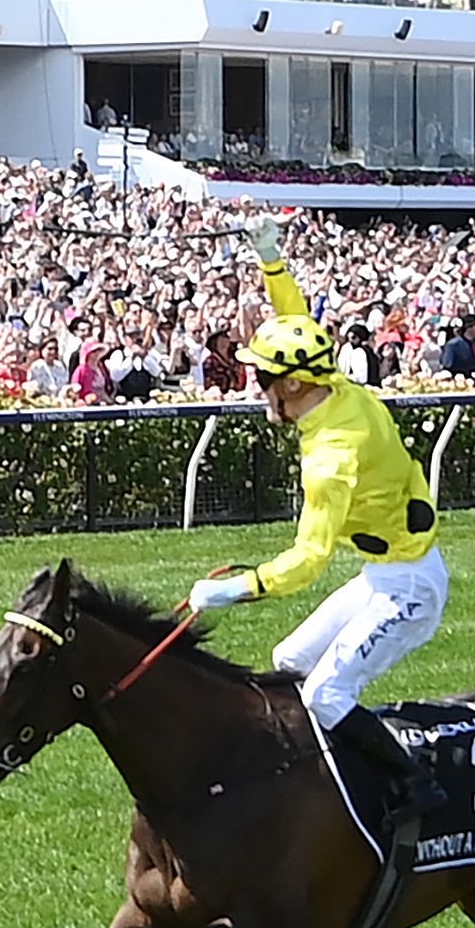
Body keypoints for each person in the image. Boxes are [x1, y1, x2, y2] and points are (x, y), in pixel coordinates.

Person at [183, 217, 448, 818]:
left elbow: (307, 562)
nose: (259, 390)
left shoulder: (331, 457)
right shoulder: (336, 385)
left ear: (296, 385)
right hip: (387, 573)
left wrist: (235, 589)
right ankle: (321, 772)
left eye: (266, 381)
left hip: (409, 588)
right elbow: (295, 321)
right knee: (290, 664)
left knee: (327, 694)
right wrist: (272, 262)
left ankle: (415, 786)